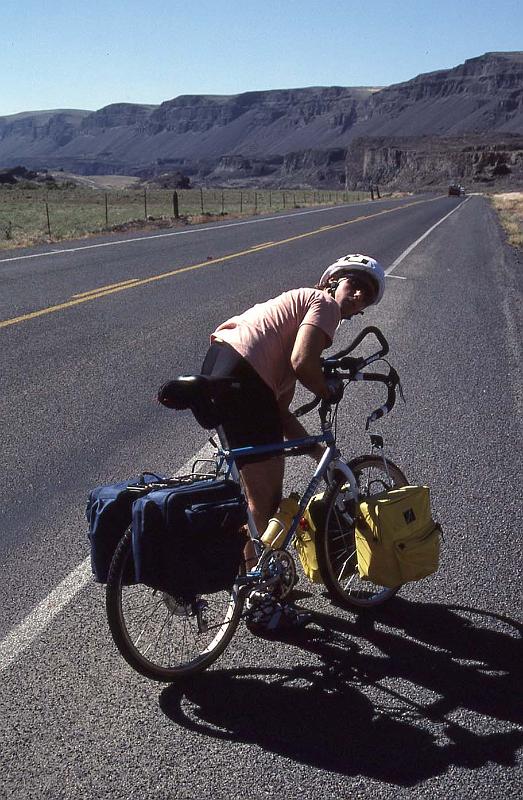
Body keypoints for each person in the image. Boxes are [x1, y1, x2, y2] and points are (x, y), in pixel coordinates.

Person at [201, 253, 386, 632]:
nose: (357, 298)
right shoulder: (323, 304)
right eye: (354, 287)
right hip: (243, 378)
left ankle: (254, 577)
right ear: (333, 282)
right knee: (267, 501)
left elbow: (280, 415)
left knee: (253, 487)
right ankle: (262, 603)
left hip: (221, 366)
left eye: (365, 297)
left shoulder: (284, 330)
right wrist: (327, 389)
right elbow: (304, 363)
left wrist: (319, 453)